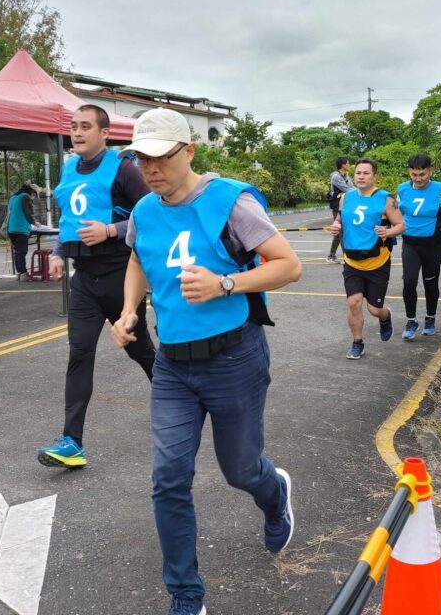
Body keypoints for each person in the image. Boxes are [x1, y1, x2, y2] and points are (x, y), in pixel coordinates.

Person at [110, 108, 302, 615]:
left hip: (234, 357)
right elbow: (137, 259)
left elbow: (289, 265)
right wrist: (129, 310)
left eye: (161, 157)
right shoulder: (146, 211)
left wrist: (225, 283)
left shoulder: (229, 202)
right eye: (140, 159)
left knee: (240, 470)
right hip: (173, 365)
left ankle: (274, 492)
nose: (150, 169)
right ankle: (186, 594)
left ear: (189, 151)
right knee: (168, 477)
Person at [37, 104, 156, 469]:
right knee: (79, 354)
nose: (77, 132)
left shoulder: (124, 169)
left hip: (122, 278)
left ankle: (179, 399)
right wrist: (58, 251)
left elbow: (154, 211)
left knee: (140, 352)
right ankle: (72, 442)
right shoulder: (69, 167)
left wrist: (110, 230)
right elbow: (70, 218)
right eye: (73, 126)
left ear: (104, 133)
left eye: (85, 126)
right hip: (84, 281)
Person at [329, 158, 405, 359]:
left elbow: (400, 225)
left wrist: (387, 232)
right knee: (354, 302)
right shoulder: (346, 197)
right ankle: (357, 342)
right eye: (358, 173)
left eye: (366, 173)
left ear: (374, 176)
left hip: (377, 262)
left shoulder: (386, 199)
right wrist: (336, 226)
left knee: (374, 309)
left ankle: (385, 316)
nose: (361, 177)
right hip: (352, 261)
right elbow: (340, 219)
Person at [395, 154, 441, 341]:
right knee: (409, 282)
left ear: (430, 171)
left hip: (432, 244)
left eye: (422, 174)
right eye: (414, 175)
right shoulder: (402, 189)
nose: (418, 179)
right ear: (409, 172)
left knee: (430, 282)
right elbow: (397, 213)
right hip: (410, 243)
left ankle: (430, 318)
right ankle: (411, 320)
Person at [6, 184, 38, 282]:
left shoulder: (13, 197)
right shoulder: (25, 197)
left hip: (11, 228)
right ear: (31, 191)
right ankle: (24, 274)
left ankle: (19, 273)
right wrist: (34, 222)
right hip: (21, 228)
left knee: (17, 251)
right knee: (22, 252)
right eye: (34, 194)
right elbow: (28, 212)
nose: (33, 196)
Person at [326, 156, 353, 263]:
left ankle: (331, 256)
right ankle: (346, 258)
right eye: (348, 163)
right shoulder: (336, 176)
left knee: (338, 232)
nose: (349, 165)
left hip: (346, 204)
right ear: (342, 165)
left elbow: (352, 188)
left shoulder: (347, 176)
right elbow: (347, 189)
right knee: (341, 231)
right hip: (338, 206)